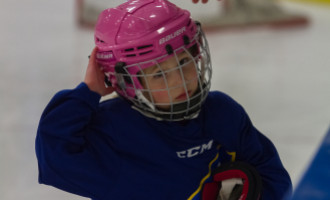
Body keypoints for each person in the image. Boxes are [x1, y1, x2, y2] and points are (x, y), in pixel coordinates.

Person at [35, 0, 292, 199]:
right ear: (128, 81)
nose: (178, 80)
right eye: (159, 74)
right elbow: (55, 156)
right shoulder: (114, 133)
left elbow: (272, 175)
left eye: (183, 62)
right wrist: (87, 93)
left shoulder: (222, 114)